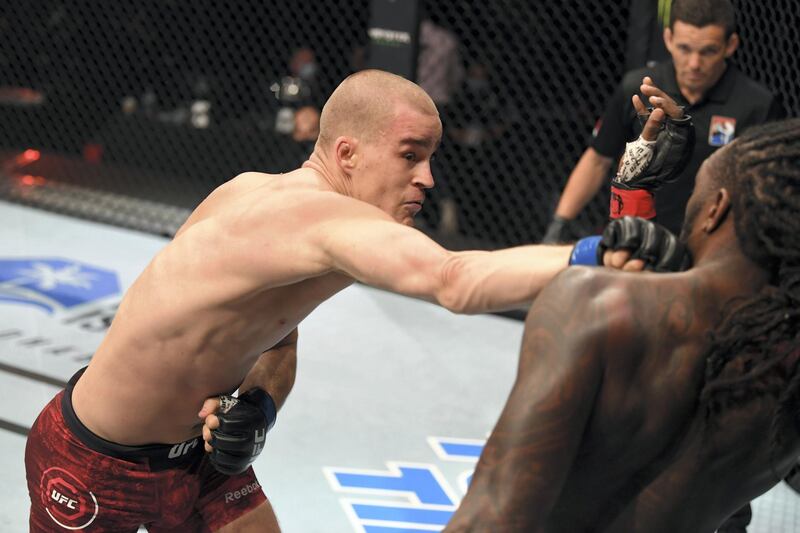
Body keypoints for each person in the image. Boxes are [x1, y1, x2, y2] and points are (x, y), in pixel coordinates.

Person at [24, 69, 683, 532]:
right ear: (347, 153)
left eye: (431, 156)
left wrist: (259, 402)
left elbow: (276, 334)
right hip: (93, 463)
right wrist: (592, 251)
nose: (427, 176)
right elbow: (453, 279)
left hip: (198, 463)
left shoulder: (264, 192)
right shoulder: (317, 221)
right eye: (409, 155)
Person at [446, 118, 800, 532]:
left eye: (695, 198)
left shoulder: (598, 304)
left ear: (716, 208)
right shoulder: (784, 369)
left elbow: (492, 517)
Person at [543, 0, 783, 242]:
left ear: (730, 45)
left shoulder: (758, 105)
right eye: (684, 48)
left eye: (708, 51)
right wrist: (559, 224)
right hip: (638, 238)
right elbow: (597, 159)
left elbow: (766, 189)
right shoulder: (639, 89)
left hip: (714, 247)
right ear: (668, 39)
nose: (694, 64)